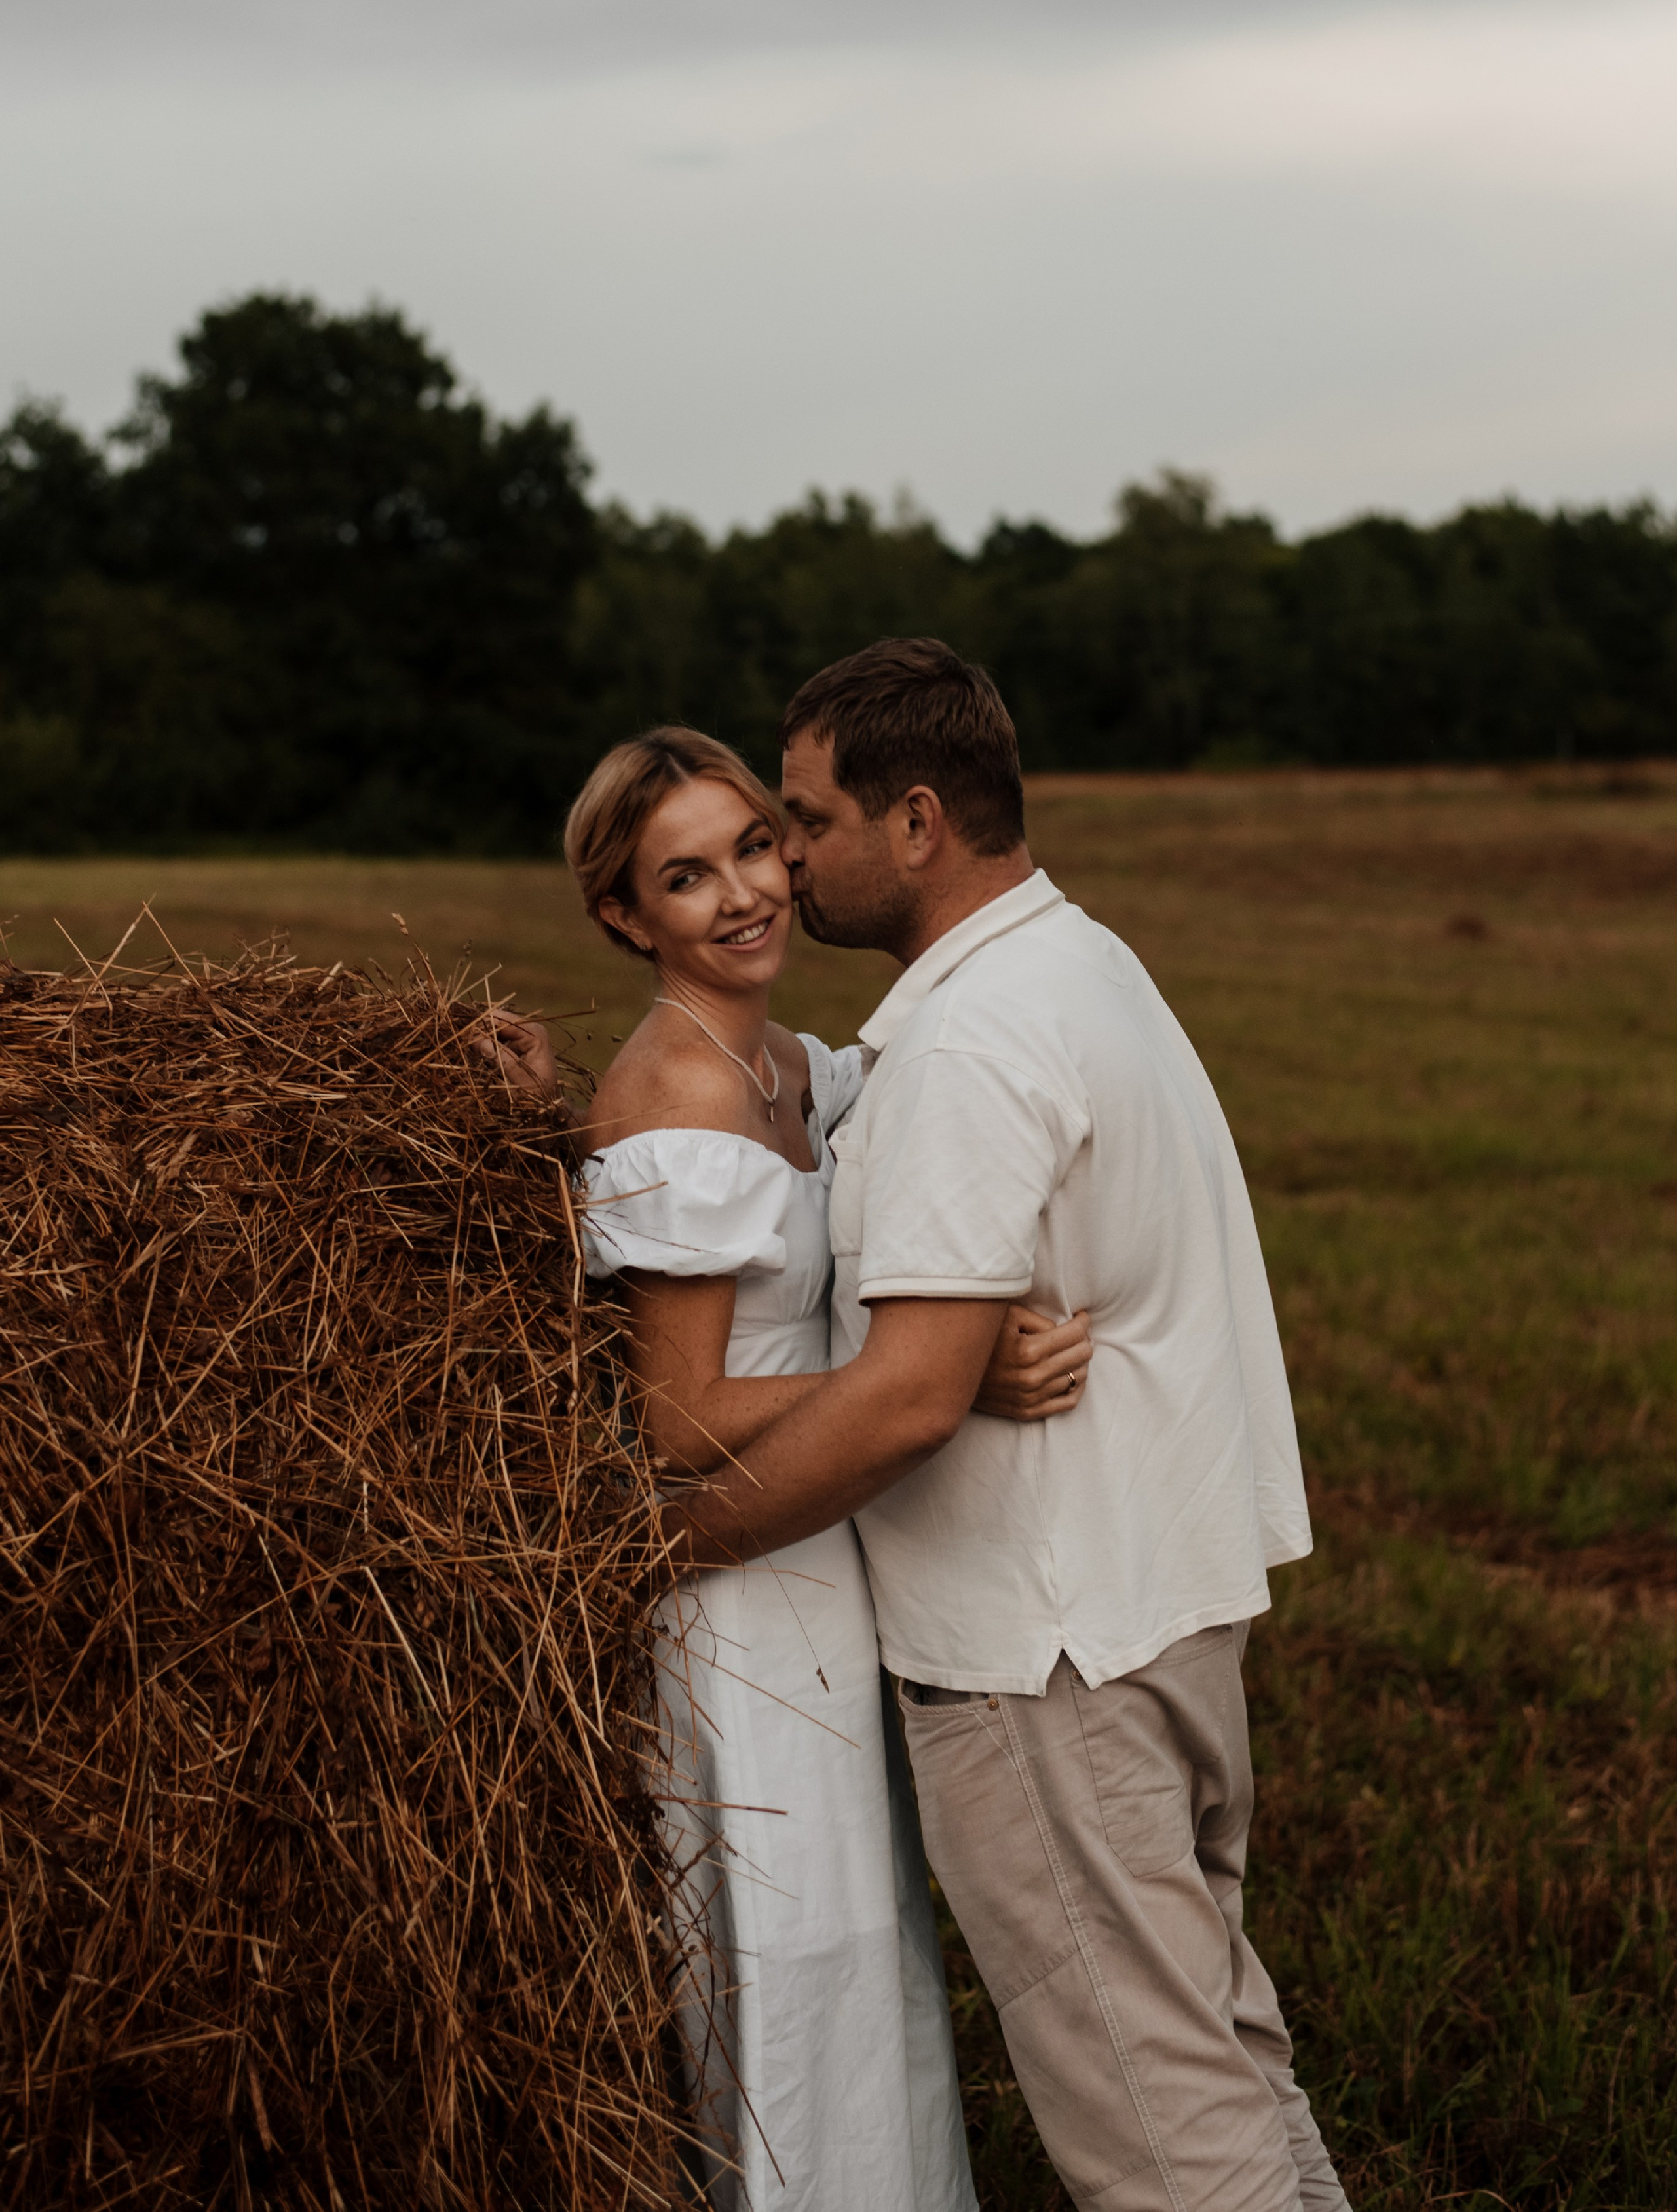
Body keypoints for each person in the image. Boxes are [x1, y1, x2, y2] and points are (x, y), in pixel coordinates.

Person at [660, 641, 1351, 2212]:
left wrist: (656, 1539)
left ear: (915, 824)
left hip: (1046, 1661)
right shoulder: (1077, 962)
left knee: (1160, 2138)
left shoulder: (967, 1043)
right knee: (1220, 2058)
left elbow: (910, 1393)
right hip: (1158, 1603)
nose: (786, 857)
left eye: (806, 820)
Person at [482, 726, 1092, 2212]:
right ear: (628, 919)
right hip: (737, 1601)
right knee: (783, 1956)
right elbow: (677, 1416)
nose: (744, 891)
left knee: (856, 1950)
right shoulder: (682, 1096)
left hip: (818, 1560)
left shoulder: (781, 1068)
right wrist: (918, 1378)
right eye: (685, 877)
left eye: (755, 845)